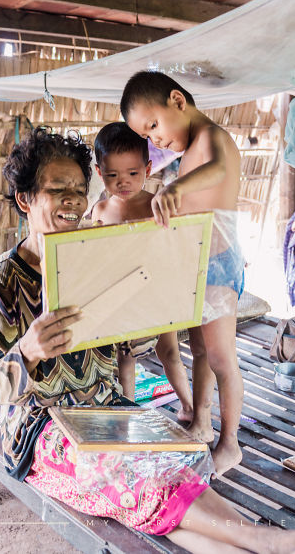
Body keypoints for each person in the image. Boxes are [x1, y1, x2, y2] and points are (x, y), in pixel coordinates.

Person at [0, 127, 295, 553]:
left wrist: (145, 310)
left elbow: (123, 346)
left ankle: (272, 548)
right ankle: (272, 541)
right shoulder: (3, 279)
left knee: (183, 456)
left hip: (107, 411)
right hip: (43, 430)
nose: (74, 200)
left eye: (79, 188)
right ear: (25, 200)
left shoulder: (95, 254)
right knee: (135, 473)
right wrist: (28, 351)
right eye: (58, 189)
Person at [121, 71, 245, 476]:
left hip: (218, 266)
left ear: (177, 100)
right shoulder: (188, 151)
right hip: (196, 264)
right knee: (201, 353)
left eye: (153, 126)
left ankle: (230, 444)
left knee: (222, 358)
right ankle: (202, 421)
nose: (154, 140)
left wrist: (174, 189)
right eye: (147, 136)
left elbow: (221, 170)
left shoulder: (212, 138)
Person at [90, 121, 194, 423]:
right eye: (112, 175)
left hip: (157, 292)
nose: (123, 182)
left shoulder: (155, 206)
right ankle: (128, 418)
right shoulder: (99, 212)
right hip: (121, 295)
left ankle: (187, 405)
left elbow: (174, 247)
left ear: (148, 169)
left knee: (170, 351)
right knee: (126, 356)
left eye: (132, 174)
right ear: (99, 173)